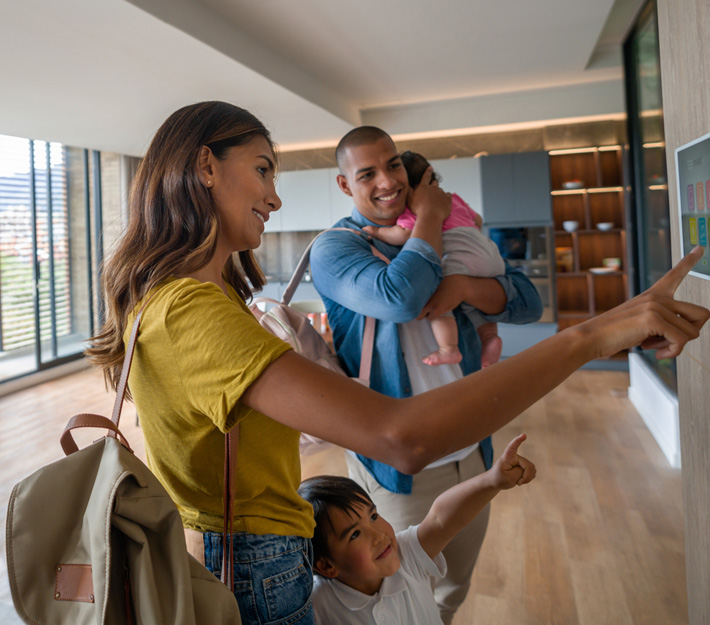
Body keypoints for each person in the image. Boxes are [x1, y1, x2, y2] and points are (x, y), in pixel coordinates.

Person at [85, 102, 708, 625]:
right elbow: (399, 436)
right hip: (255, 567)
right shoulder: (190, 309)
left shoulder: (198, 299)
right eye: (263, 170)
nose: (274, 196)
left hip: (271, 555)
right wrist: (592, 337)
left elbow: (516, 297)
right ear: (204, 166)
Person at [309, 126, 544, 622]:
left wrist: (462, 285)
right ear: (344, 184)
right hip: (400, 470)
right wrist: (432, 215)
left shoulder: (453, 233)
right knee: (394, 599)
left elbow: (527, 300)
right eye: (366, 173)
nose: (387, 181)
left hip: (472, 453)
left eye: (393, 165)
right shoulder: (336, 249)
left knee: (451, 590)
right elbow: (402, 297)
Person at [299, 434, 535, 625]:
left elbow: (440, 518)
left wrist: (491, 480)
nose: (379, 535)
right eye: (355, 534)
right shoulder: (317, 606)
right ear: (327, 566)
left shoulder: (406, 556)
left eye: (373, 516)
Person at [363, 149, 505, 368]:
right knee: (473, 304)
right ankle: (489, 337)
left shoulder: (415, 209)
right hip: (491, 254)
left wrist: (376, 232)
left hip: (461, 256)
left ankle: (448, 348)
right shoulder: (452, 198)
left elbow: (404, 234)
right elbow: (477, 220)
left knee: (439, 294)